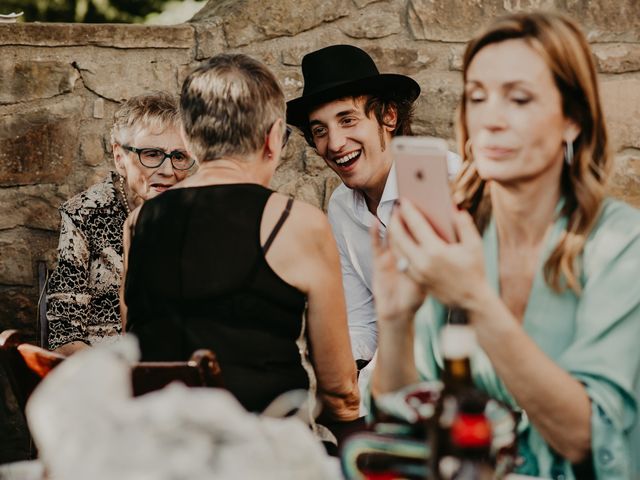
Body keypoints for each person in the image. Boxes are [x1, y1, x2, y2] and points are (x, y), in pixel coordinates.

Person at [370, 12, 640, 479]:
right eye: (477, 96)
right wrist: (395, 322)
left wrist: (475, 299)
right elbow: (403, 423)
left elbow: (586, 436)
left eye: (518, 98)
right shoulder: (458, 234)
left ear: (572, 120)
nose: (490, 119)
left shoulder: (619, 244)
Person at [122, 54, 359, 430]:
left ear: (191, 141)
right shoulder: (298, 223)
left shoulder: (139, 222)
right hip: (263, 454)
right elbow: (341, 391)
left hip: (162, 450)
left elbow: (138, 347)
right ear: (272, 137)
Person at [287, 45, 459, 370]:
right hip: (393, 384)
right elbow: (362, 323)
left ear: (388, 116)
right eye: (320, 130)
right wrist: (323, 367)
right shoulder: (340, 206)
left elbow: (437, 324)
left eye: (348, 120)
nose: (335, 144)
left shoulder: (446, 182)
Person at [47, 92, 193, 355]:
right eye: (152, 154)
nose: (169, 171)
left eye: (180, 156)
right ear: (119, 157)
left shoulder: (197, 214)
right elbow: (64, 338)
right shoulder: (85, 214)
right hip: (104, 366)